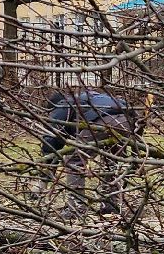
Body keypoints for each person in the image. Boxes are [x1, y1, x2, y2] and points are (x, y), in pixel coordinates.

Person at [40, 86, 137, 218]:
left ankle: (76, 207)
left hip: (102, 121)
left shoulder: (64, 106)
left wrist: (47, 172)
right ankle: (110, 205)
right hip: (126, 121)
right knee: (111, 161)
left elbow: (51, 138)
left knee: (75, 159)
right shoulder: (94, 98)